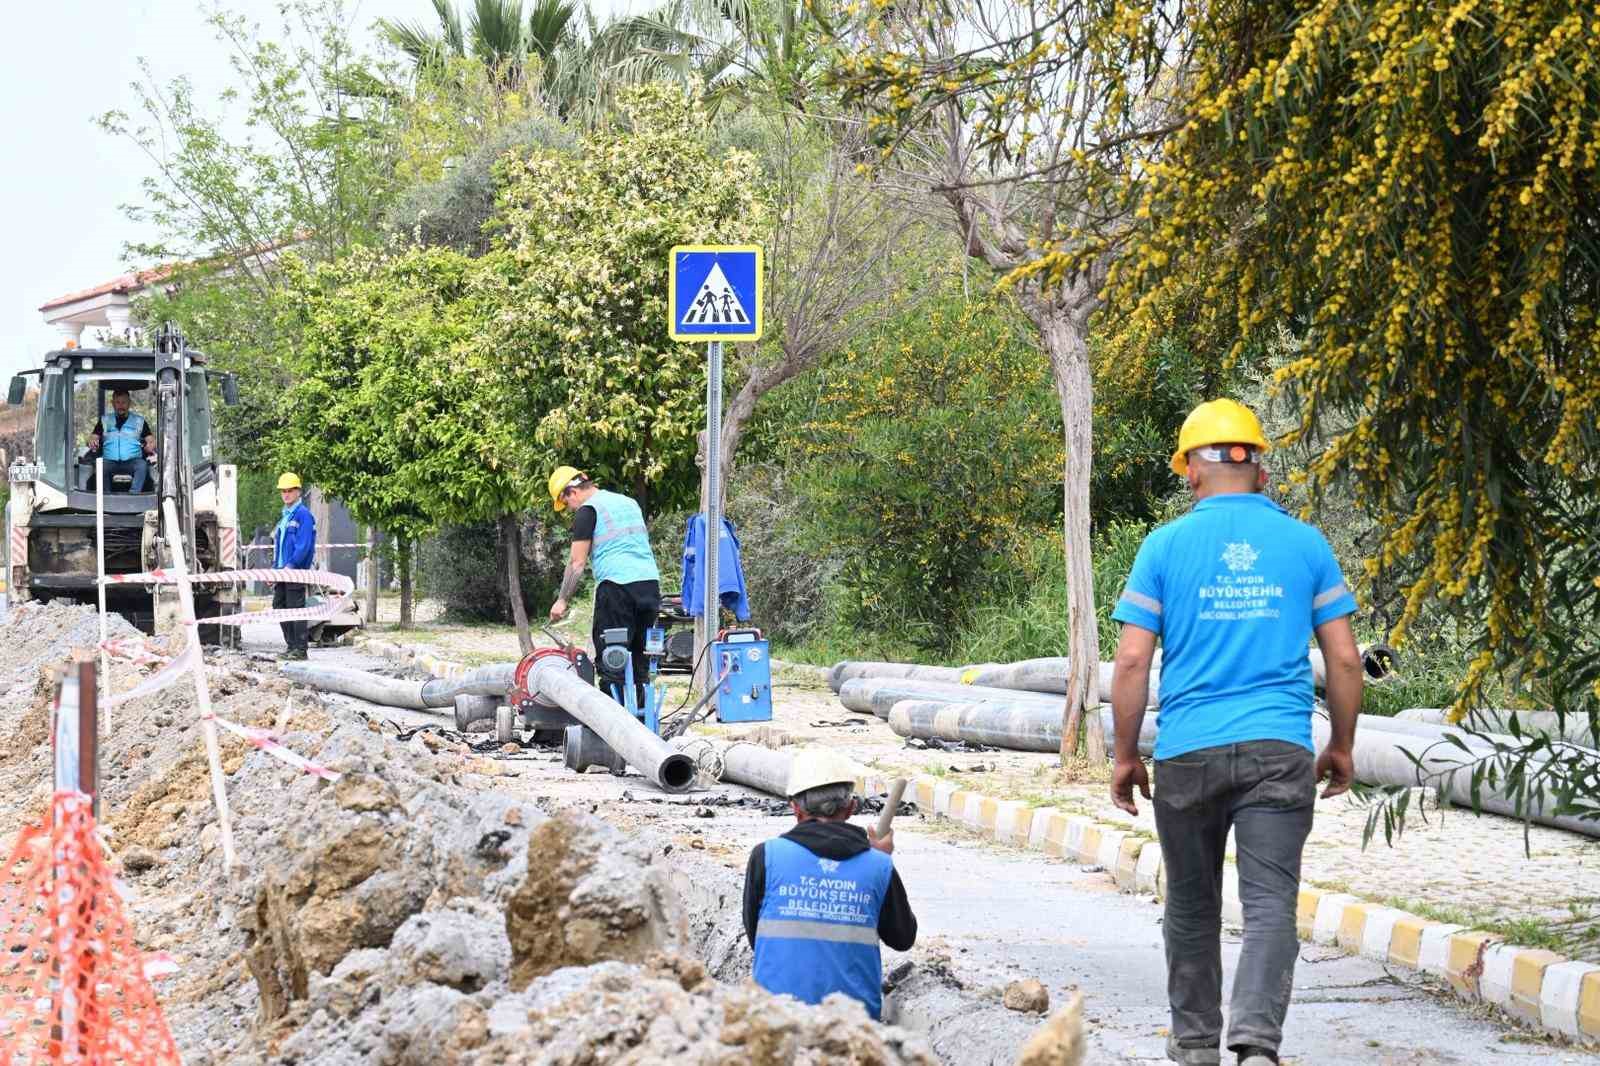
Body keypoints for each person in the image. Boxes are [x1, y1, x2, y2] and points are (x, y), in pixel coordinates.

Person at [1108, 399, 1363, 1066]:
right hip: (1279, 752)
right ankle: (1255, 1045)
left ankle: (1195, 1047)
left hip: (1188, 753)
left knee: (1191, 905)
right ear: (1262, 471)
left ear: (1191, 471)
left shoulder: (1163, 547)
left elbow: (1132, 660)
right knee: (1270, 902)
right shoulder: (1306, 544)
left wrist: (1125, 755)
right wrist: (1340, 744)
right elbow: (1342, 657)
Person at [743, 749, 917, 1020]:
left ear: (795, 808)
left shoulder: (766, 856)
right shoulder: (878, 865)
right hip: (853, 1027)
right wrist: (883, 864)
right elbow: (903, 938)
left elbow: (758, 939)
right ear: (851, 807)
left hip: (773, 1020)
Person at [546, 465, 660, 707]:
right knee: (642, 659)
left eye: (566, 503)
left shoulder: (588, 511)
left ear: (571, 492)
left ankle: (610, 729)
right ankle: (643, 725)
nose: (570, 509)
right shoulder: (628, 502)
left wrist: (562, 600)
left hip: (618, 589)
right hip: (650, 587)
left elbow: (577, 563)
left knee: (612, 659)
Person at [272, 472, 317, 661]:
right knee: (279, 606)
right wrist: (274, 570)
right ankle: (291, 646)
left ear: (298, 491)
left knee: (296, 608)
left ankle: (300, 649)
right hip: (283, 571)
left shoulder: (303, 515)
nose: (286, 494)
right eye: (283, 491)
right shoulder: (285, 516)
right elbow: (280, 547)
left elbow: (304, 546)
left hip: (295, 571)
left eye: (290, 491)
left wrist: (291, 565)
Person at [87, 389, 154, 492]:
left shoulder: (139, 421)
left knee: (142, 465)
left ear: (129, 403)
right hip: (110, 461)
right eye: (117, 402)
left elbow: (150, 439)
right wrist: (93, 441)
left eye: (123, 402)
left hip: (132, 461)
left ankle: (134, 495)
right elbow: (94, 437)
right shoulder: (104, 420)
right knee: (100, 466)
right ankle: (106, 496)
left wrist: (150, 445)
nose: (120, 405)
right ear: (113, 403)